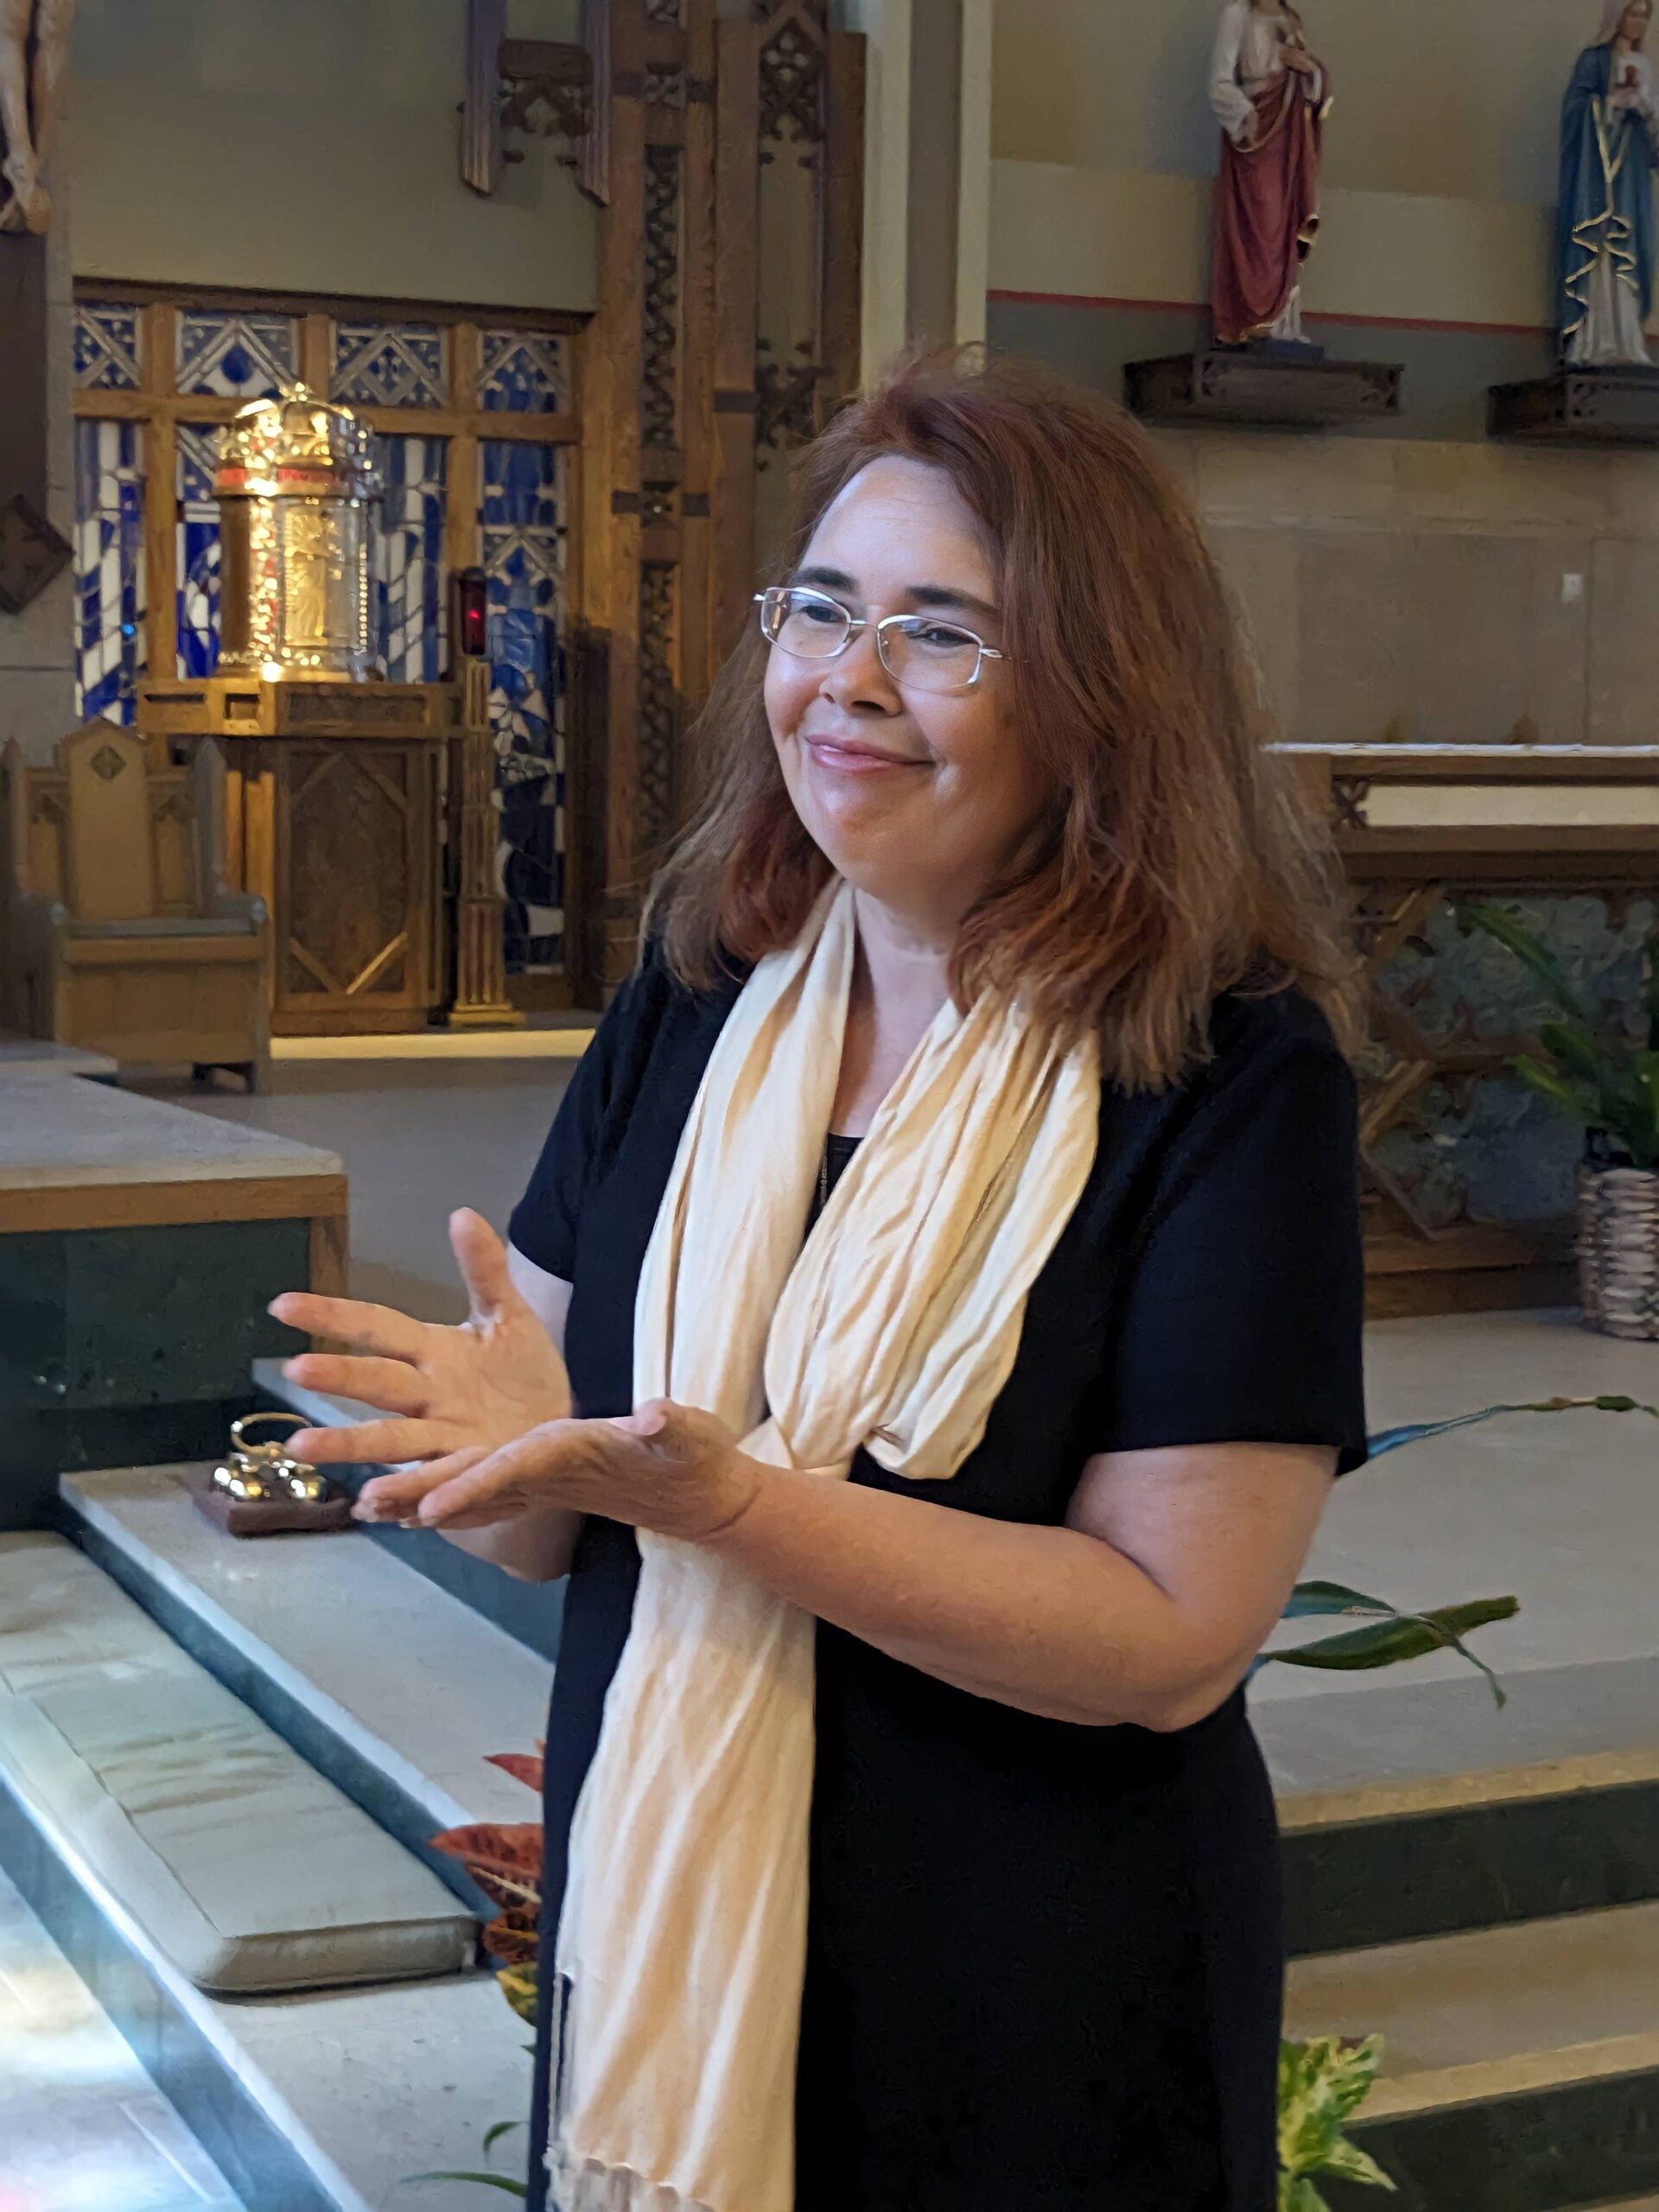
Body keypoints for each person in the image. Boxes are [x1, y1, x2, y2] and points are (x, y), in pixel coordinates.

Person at [273, 353, 1369, 2212]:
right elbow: (550, 1516)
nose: (848, 682)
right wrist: (481, 1448)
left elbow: (1174, 1635)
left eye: (945, 634)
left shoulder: (1219, 1069)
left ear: (1106, 689)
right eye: (826, 613)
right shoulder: (697, 1001)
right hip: (680, 1922)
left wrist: (731, 1505)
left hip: (1032, 1973)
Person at [1209, 0, 1331, 346]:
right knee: (1260, 223)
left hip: (1289, 137)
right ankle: (1251, 317)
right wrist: (1244, 115)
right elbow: (1220, 81)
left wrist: (1309, 70)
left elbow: (1314, 91)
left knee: (1285, 221)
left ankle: (1282, 320)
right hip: (1255, 133)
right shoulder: (1237, 15)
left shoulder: (1291, 19)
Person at [1560, 0, 1659, 366]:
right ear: (1617, 16)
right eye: (1632, 13)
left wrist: (1649, 115)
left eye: (1644, 16)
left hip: (1631, 172)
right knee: (1601, 244)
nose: (1638, 22)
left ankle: (1628, 337)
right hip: (1598, 174)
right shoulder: (1594, 61)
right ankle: (1595, 337)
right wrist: (1613, 101)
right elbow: (1574, 110)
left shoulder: (1644, 67)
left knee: (1633, 247)